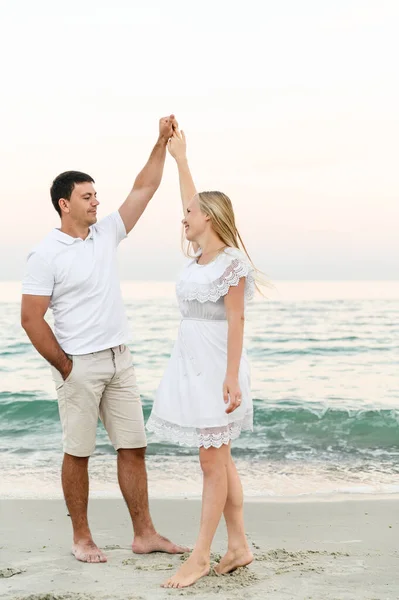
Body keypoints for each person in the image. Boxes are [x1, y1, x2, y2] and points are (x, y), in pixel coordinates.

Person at [21, 115, 188, 564]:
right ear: (64, 204)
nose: (97, 202)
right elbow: (31, 319)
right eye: (87, 196)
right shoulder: (45, 254)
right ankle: (82, 538)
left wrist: (159, 143)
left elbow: (144, 189)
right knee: (78, 453)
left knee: (134, 448)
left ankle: (145, 534)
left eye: (97, 195)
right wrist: (66, 366)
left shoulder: (106, 233)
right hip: (78, 364)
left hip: (120, 360)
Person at [146, 128, 260, 588]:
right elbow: (192, 197)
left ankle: (199, 556)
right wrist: (180, 158)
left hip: (217, 367)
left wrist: (231, 378)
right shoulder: (198, 256)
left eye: (190, 214)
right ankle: (239, 547)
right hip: (189, 365)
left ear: (209, 218)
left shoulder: (231, 262)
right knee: (221, 460)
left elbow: (237, 322)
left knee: (212, 463)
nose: (183, 218)